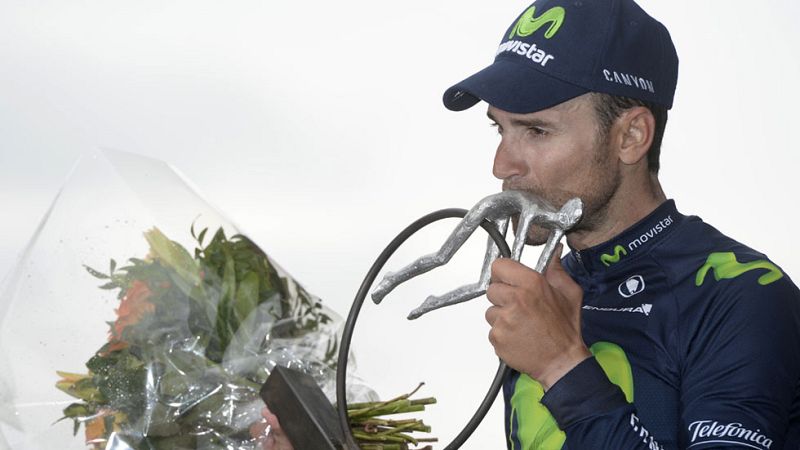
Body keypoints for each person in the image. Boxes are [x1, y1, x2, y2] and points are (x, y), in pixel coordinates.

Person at [257, 0, 800, 448]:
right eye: (499, 130)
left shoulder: (740, 294)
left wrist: (563, 364)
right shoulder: (556, 283)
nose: (502, 166)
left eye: (536, 131)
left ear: (631, 136)